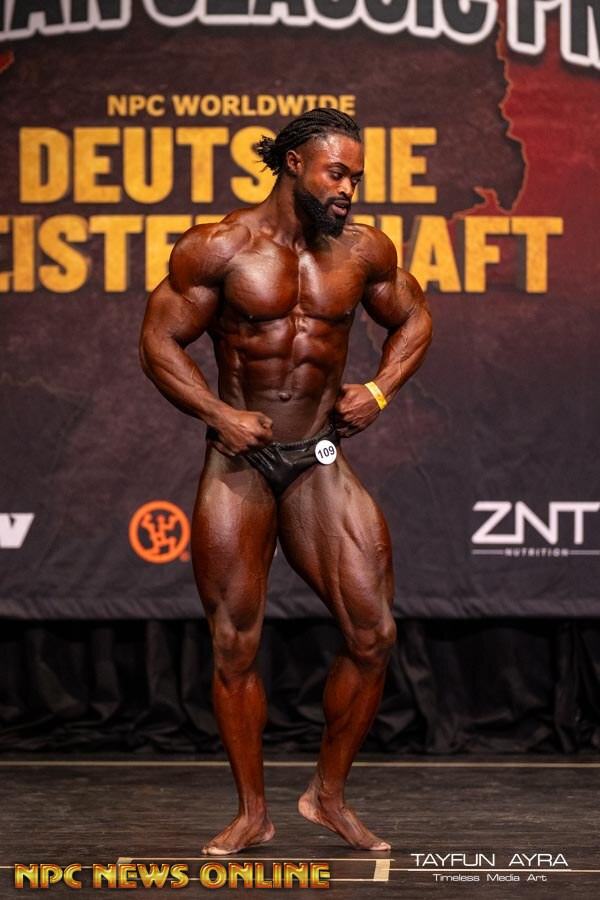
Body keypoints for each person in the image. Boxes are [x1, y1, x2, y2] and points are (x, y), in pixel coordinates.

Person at [140, 108, 432, 856]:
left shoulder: (364, 250)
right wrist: (217, 412)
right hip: (238, 463)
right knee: (234, 645)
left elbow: (414, 319)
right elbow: (158, 340)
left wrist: (380, 390)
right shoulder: (219, 247)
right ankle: (252, 813)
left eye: (356, 178)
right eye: (338, 173)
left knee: (374, 634)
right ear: (295, 163)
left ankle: (327, 796)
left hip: (318, 458)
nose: (349, 189)